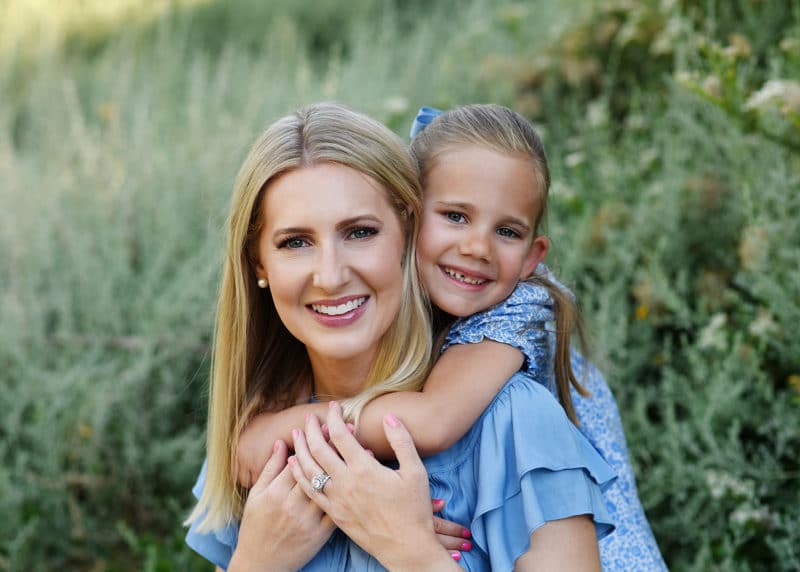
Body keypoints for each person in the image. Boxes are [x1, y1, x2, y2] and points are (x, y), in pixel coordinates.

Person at [185, 102, 615, 570]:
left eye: (361, 232)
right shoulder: (257, 443)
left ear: (409, 234)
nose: (330, 276)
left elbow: (436, 421)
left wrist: (410, 551)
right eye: (296, 242)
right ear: (259, 264)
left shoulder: (515, 423)